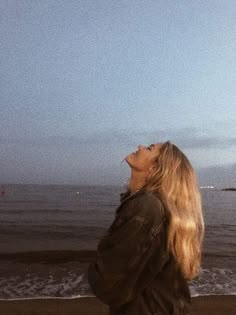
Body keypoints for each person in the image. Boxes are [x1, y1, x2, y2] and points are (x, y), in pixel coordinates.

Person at [88, 141, 205, 315]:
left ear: (156, 168)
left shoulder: (147, 207)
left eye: (149, 148)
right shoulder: (154, 206)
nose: (140, 146)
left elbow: (109, 285)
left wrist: (93, 269)